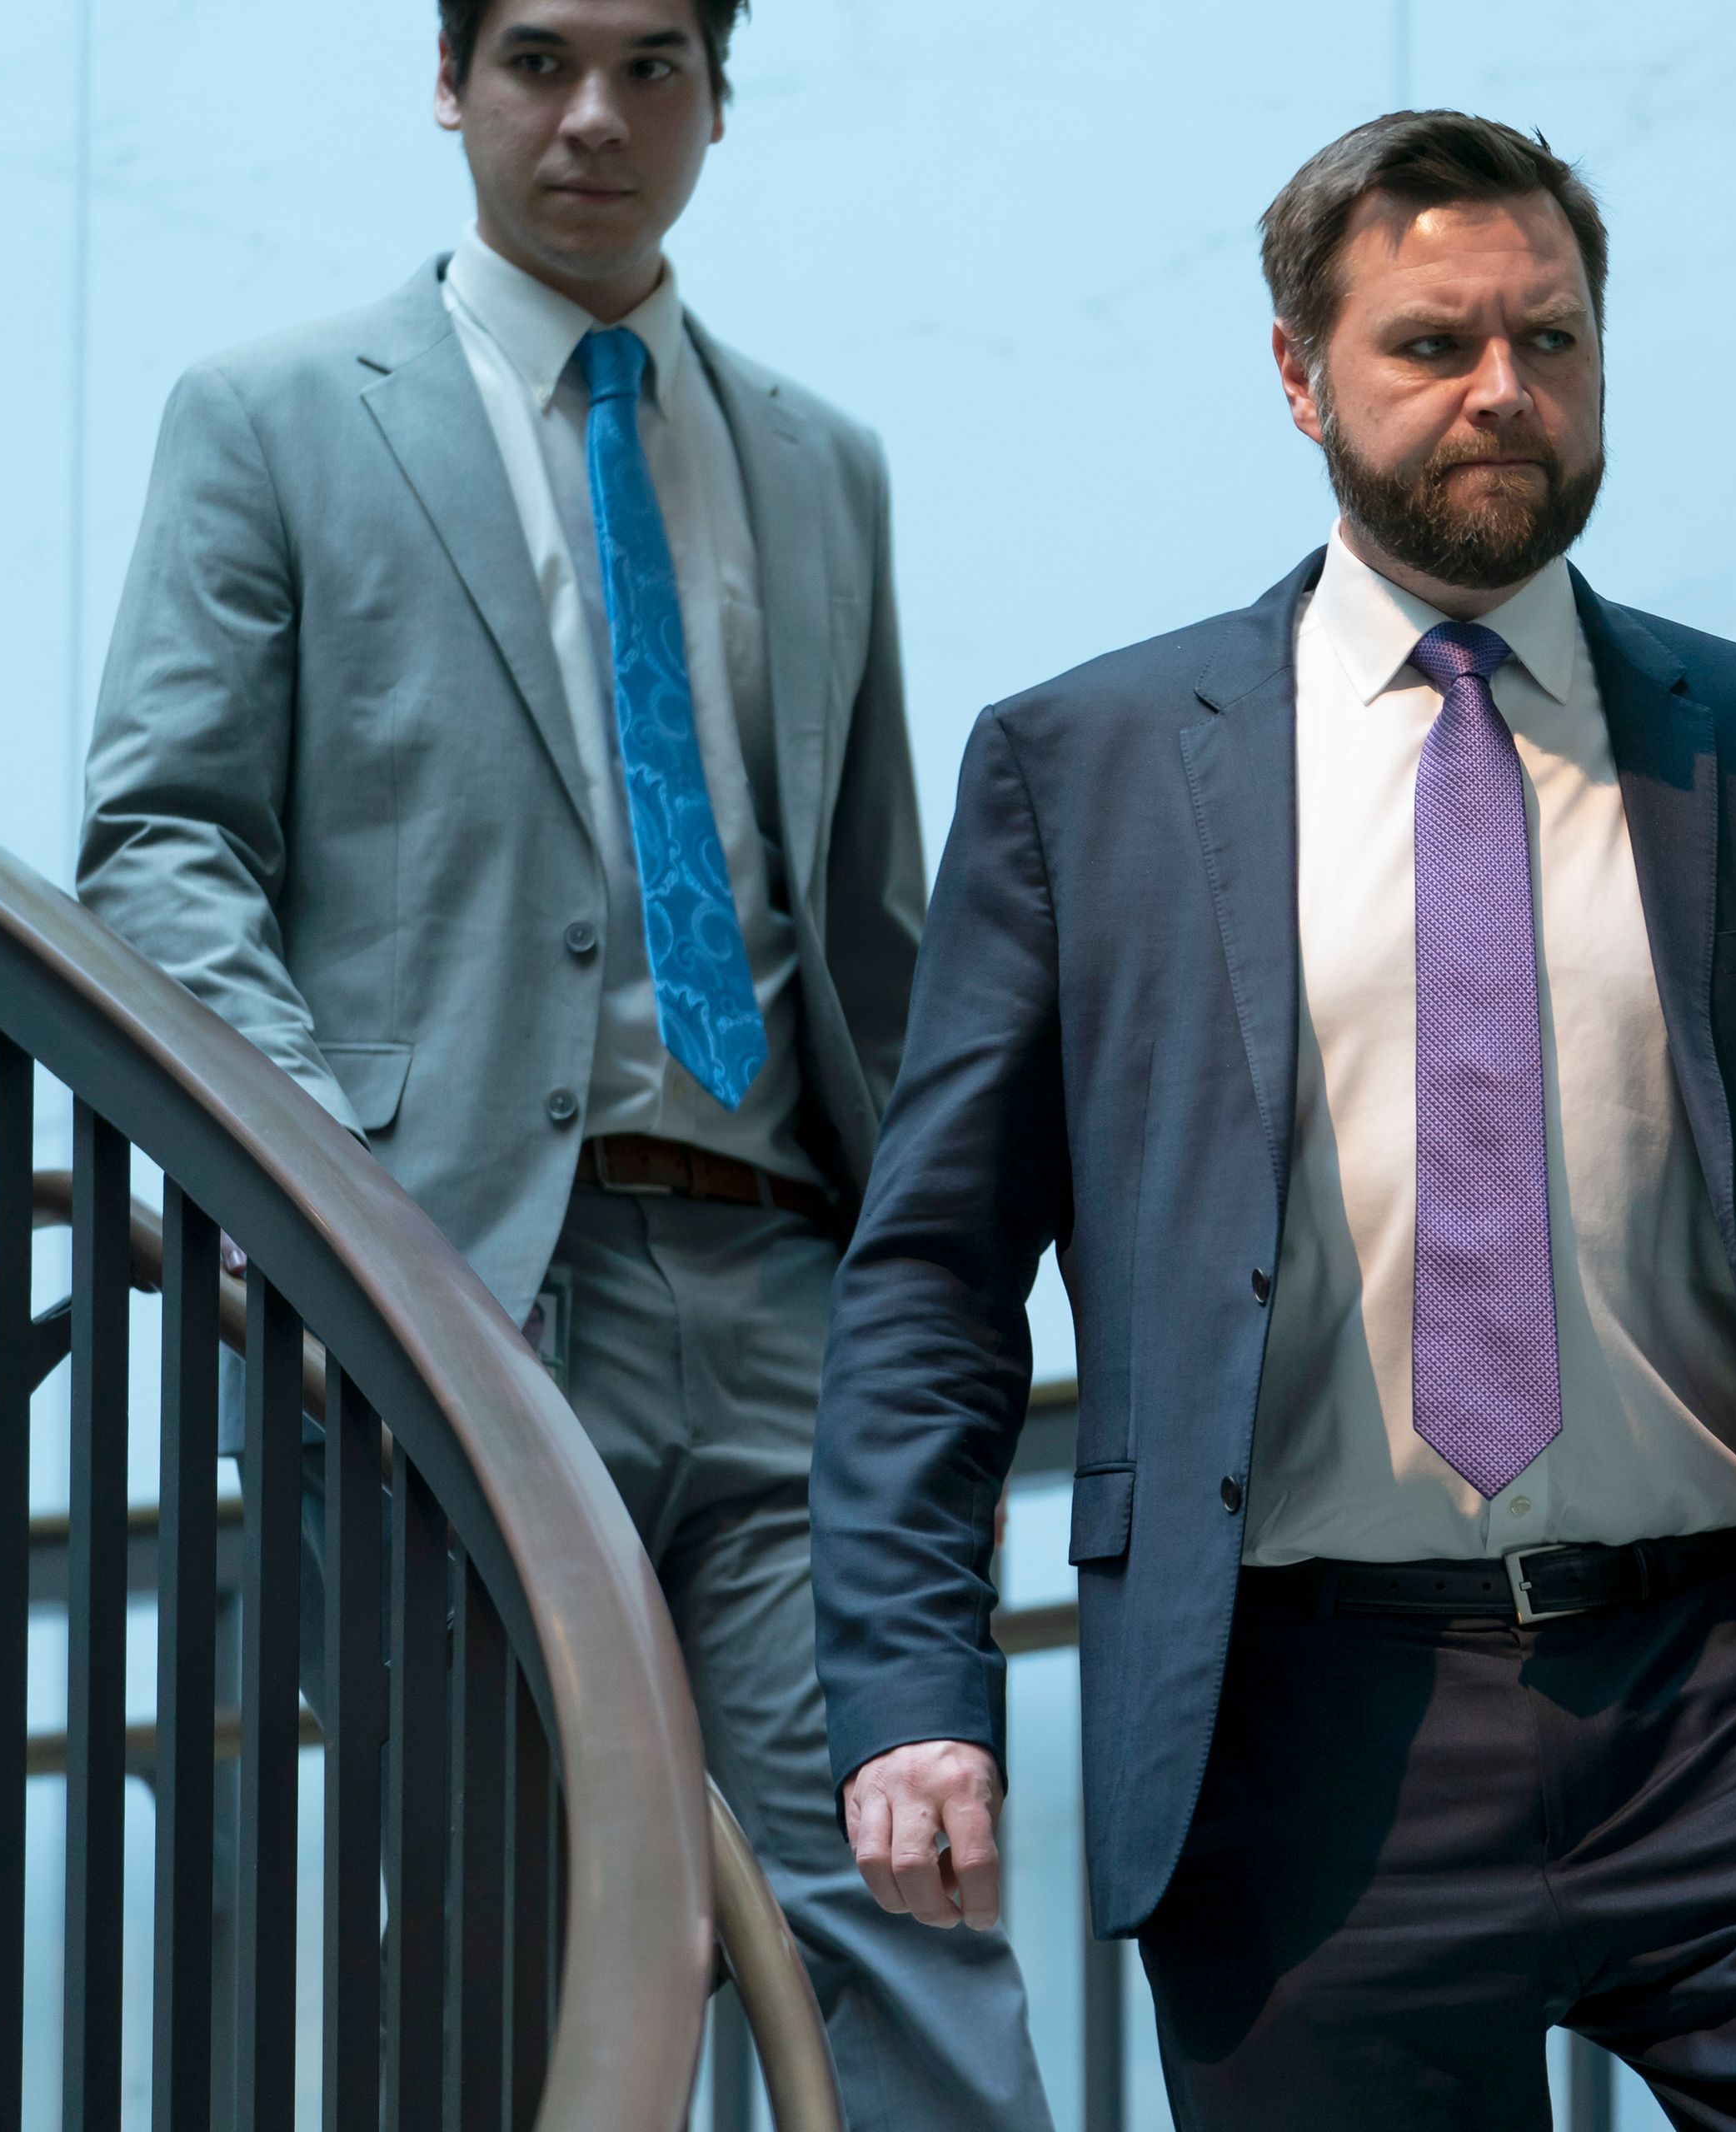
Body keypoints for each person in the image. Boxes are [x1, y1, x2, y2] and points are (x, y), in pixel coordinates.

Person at [812, 110, 1736, 2129]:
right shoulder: (1080, 771)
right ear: (1299, 375)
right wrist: (916, 1699)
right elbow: (930, 1278)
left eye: (1551, 337)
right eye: (1434, 344)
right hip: (1302, 1734)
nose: (1503, 393)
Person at [75, 2, 1049, 2121]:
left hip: (800, 1291)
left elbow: (866, 914)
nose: (592, 114)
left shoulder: (822, 458)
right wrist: (331, 1198)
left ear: (717, 93)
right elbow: (160, 837)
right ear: (450, 82)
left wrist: (955, 1255)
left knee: (900, 1886)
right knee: (511, 1913)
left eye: (649, 65)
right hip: (454, 1295)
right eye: (535, 58)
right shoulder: (273, 420)